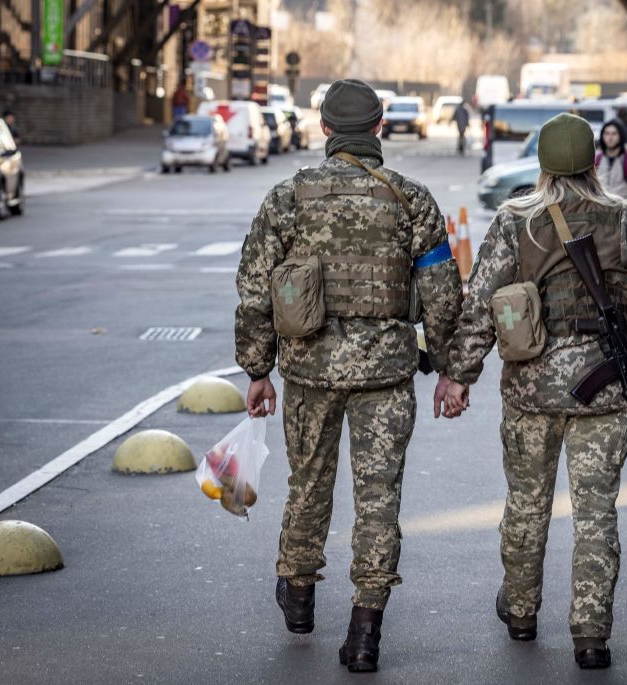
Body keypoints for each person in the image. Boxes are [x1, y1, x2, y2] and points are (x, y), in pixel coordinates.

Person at [234, 79, 463, 674]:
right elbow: (441, 294)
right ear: (380, 125)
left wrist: (258, 371)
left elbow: (256, 290)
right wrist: (447, 367)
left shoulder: (289, 197)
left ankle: (300, 594)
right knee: (378, 497)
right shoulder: (410, 198)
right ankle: (366, 629)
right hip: (386, 373)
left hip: (309, 370)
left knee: (307, 484)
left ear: (325, 128)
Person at [443, 112, 627, 669]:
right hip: (606, 391)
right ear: (595, 161)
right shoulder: (626, 222)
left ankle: (522, 611)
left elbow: (479, 303)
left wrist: (459, 375)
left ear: (543, 164)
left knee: (526, 504)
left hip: (530, 388)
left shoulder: (514, 222)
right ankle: (590, 633)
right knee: (597, 512)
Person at [596, 119, 627, 217]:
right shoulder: (597, 158)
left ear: (620, 136)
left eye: (614, 134)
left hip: (623, 216)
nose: (610, 137)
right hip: (601, 216)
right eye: (607, 133)